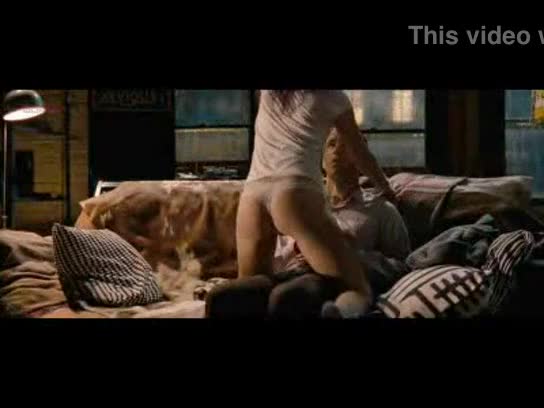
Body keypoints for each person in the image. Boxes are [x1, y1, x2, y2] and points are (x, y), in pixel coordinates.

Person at [235, 90, 396, 315]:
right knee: (356, 289)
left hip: (252, 195)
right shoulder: (334, 97)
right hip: (293, 191)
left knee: (248, 296)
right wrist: (385, 187)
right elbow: (359, 152)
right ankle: (339, 313)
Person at [272, 129, 411, 318]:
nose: (337, 151)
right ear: (322, 160)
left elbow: (402, 266)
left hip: (333, 279)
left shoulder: (381, 210)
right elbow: (277, 254)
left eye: (347, 147)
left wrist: (354, 255)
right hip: (289, 272)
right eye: (331, 145)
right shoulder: (301, 203)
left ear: (362, 161)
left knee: (286, 297)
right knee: (235, 293)